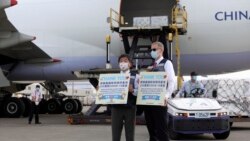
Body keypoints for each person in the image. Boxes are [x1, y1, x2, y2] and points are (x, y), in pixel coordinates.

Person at [144, 41, 175, 141]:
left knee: (162, 131)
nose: (151, 52)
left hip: (160, 102)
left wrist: (166, 96)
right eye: (151, 50)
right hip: (149, 102)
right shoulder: (151, 66)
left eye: (154, 49)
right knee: (151, 131)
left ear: (161, 50)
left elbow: (171, 82)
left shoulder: (167, 63)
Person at [111, 54, 138, 141]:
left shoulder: (136, 76)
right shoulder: (113, 77)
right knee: (115, 134)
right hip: (116, 108)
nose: (123, 63)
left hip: (130, 108)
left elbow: (140, 92)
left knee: (130, 134)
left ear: (130, 64)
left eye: (125, 61)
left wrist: (133, 90)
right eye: (121, 61)